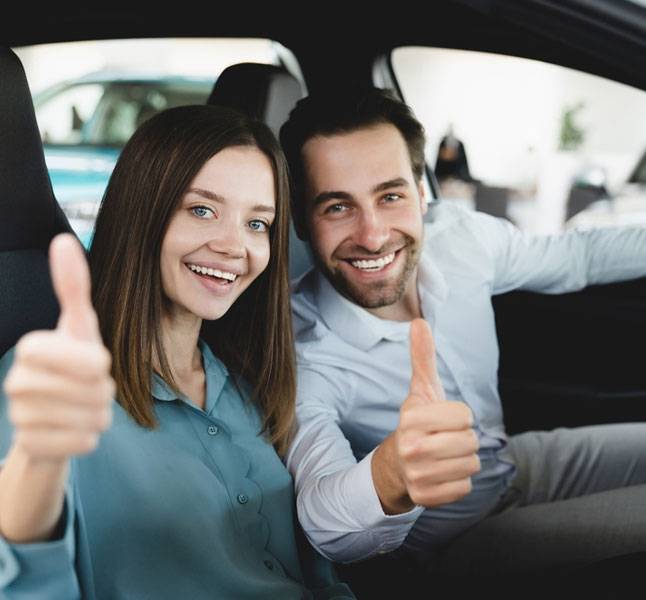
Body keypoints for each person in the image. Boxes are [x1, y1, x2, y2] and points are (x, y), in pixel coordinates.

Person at [279, 87, 646, 580]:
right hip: (457, 546)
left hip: (509, 463)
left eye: (390, 196)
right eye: (337, 207)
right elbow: (322, 520)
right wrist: (392, 476)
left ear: (422, 192)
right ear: (302, 222)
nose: (372, 235)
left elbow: (578, 257)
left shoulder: (459, 238)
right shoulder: (303, 353)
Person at [0, 105, 354, 599]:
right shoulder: (48, 384)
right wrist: (35, 469)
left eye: (258, 223)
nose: (236, 246)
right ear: (142, 211)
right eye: (202, 210)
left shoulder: (248, 385)